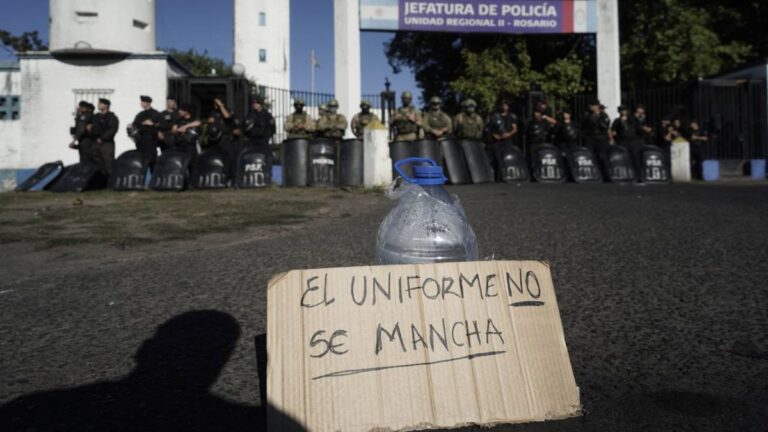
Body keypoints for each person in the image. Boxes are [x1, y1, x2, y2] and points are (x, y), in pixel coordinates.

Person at [242, 95, 276, 164]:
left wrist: (265, 136)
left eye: (256, 102)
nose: (255, 104)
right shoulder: (250, 114)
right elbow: (245, 127)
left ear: (261, 104)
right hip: (251, 142)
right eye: (253, 102)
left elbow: (272, 129)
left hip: (263, 141)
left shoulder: (267, 115)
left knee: (266, 159)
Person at [132, 95, 162, 171]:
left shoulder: (155, 114)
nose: (141, 104)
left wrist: (153, 124)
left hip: (151, 140)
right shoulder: (140, 114)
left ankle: (153, 177)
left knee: (152, 161)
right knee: (142, 161)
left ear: (148, 103)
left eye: (143, 102)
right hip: (141, 140)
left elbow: (161, 125)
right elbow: (135, 124)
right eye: (141, 102)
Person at [91, 98, 119, 177]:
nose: (98, 105)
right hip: (95, 142)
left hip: (106, 143)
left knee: (108, 163)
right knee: (97, 164)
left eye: (101, 103)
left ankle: (110, 180)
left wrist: (102, 138)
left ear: (106, 105)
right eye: (99, 103)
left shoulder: (112, 117)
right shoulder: (96, 116)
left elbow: (112, 130)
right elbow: (93, 128)